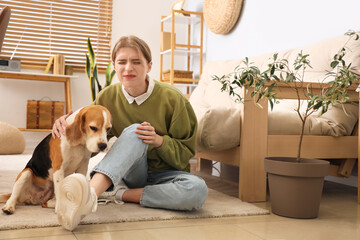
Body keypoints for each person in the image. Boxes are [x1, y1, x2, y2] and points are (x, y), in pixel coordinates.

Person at [52, 35, 208, 231]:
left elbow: (186, 152)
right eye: (122, 62)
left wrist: (160, 141)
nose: (128, 68)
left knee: (198, 191)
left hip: (169, 174)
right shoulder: (106, 96)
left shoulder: (174, 99)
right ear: (114, 66)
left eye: (136, 62)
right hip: (133, 172)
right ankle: (89, 197)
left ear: (149, 66)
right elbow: (87, 138)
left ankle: (116, 194)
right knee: (136, 130)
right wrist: (67, 124)